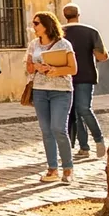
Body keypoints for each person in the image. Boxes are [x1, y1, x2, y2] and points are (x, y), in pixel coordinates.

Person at [27, 10, 78, 183]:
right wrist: (37, 66)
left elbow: (73, 69)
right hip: (40, 90)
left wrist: (56, 70)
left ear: (47, 25)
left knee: (58, 128)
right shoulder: (34, 44)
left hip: (61, 92)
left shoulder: (64, 44)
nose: (34, 26)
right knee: (46, 130)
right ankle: (52, 169)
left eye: (36, 23)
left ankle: (68, 168)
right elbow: (28, 67)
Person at [62, 3, 109, 159]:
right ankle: (91, 143)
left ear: (64, 15)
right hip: (86, 75)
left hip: (64, 76)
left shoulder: (59, 32)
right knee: (82, 109)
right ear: (78, 14)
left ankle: (88, 145)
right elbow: (102, 56)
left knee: (76, 111)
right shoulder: (91, 32)